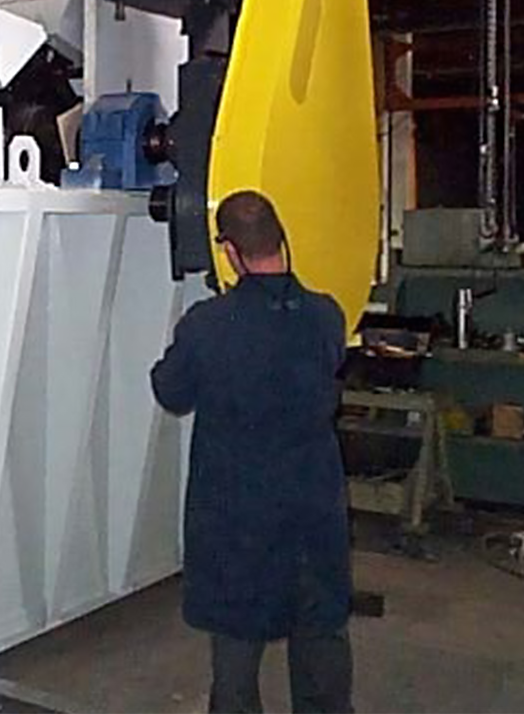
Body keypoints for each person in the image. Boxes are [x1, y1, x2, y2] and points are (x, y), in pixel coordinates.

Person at [150, 190, 353, 714]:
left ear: (229, 252)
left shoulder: (209, 325)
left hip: (239, 520)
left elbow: (170, 392)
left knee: (237, 656)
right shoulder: (327, 317)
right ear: (281, 238)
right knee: (322, 641)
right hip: (314, 512)